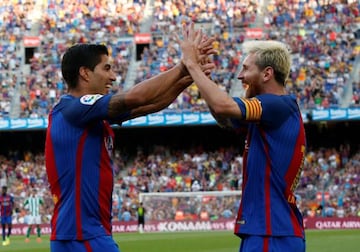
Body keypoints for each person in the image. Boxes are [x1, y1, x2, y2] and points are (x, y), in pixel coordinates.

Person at [45, 42, 215, 252]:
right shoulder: (73, 108)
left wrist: (189, 77)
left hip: (76, 233)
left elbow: (151, 104)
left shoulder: (89, 114)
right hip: (82, 235)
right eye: (106, 68)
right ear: (85, 73)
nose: (113, 77)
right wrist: (183, 65)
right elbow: (137, 96)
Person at [178, 23, 306, 252]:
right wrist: (203, 77)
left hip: (272, 231)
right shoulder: (268, 113)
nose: (240, 75)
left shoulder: (278, 105)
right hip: (268, 231)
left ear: (267, 73)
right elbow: (223, 115)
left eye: (246, 69)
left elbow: (222, 105)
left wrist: (191, 64)